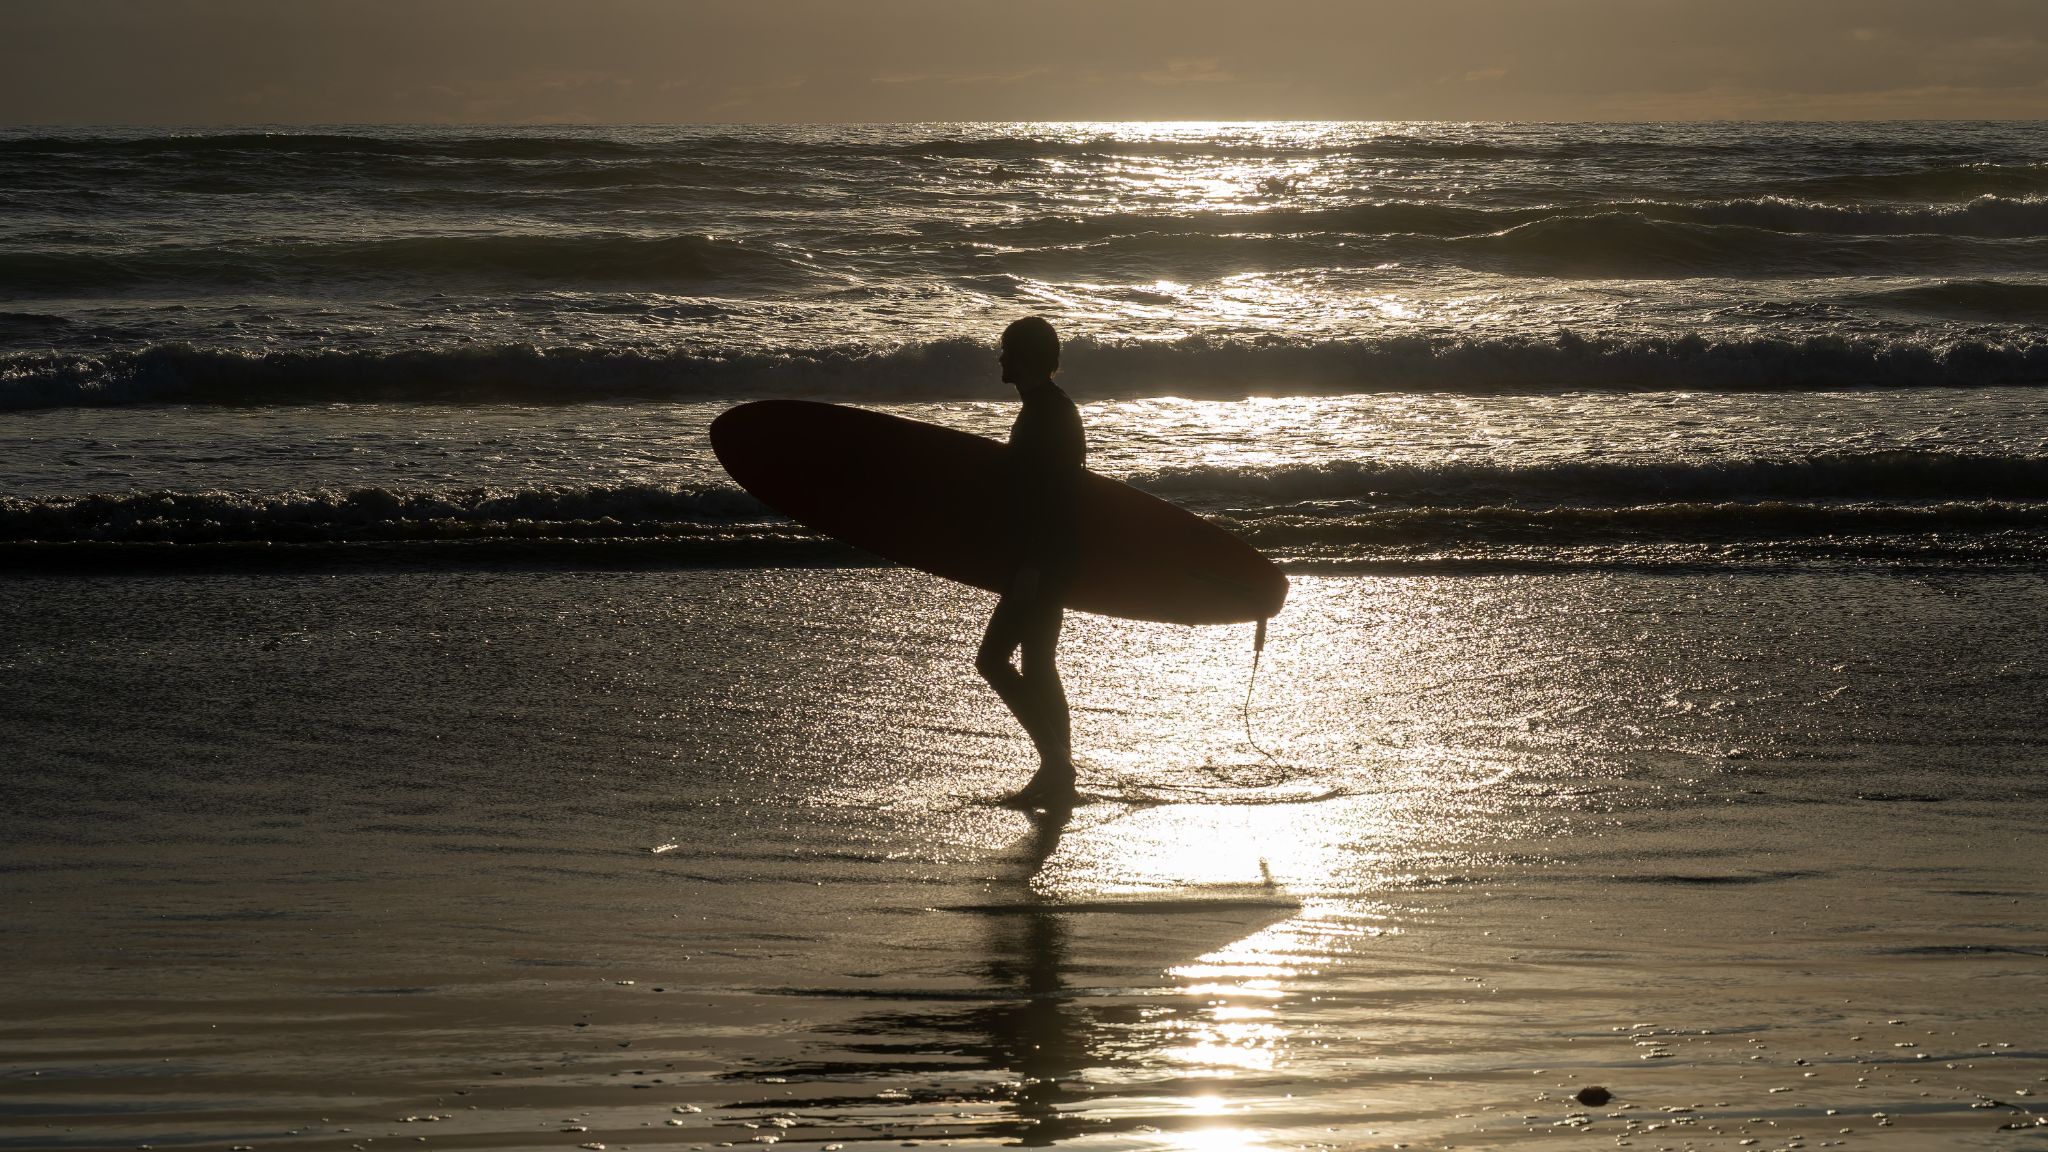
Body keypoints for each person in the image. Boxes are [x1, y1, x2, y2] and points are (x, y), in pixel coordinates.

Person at [978, 316, 1084, 810]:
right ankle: (1059, 775)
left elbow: (1058, 498)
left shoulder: (1049, 413)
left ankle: (1056, 762)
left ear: (1025, 358)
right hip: (1048, 558)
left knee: (992, 659)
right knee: (1039, 663)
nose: (1000, 357)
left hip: (1043, 561)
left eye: (1007, 350)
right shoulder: (1047, 407)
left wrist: (1033, 566)